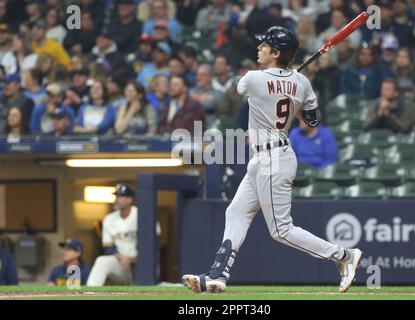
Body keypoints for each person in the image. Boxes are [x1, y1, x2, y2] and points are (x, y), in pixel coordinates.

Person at [182, 26, 362, 294]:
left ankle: (343, 255)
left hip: (274, 158)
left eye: (264, 46)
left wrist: (282, 84)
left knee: (281, 230)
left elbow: (242, 90)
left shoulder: (254, 77)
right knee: (235, 211)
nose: (259, 48)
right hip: (266, 157)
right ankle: (218, 275)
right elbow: (312, 119)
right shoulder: (302, 82)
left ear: (276, 52)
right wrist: (292, 88)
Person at [87, 184, 138, 286]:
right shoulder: (109, 219)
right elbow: (108, 247)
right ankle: (89, 294)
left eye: (120, 196)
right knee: (102, 261)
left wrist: (132, 259)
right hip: (121, 263)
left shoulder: (142, 215)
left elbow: (153, 244)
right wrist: (122, 258)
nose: (116, 199)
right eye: (116, 196)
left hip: (141, 263)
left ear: (129, 199)